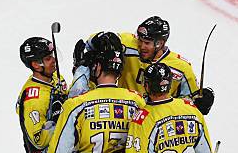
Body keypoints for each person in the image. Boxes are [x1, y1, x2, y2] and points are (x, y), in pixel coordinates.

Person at [72, 16, 214, 114]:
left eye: (147, 43)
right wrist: (99, 39)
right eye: (140, 40)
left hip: (155, 123)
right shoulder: (128, 43)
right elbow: (90, 43)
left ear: (160, 43)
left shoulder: (181, 68)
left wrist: (201, 102)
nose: (141, 46)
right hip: (122, 116)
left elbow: (188, 103)